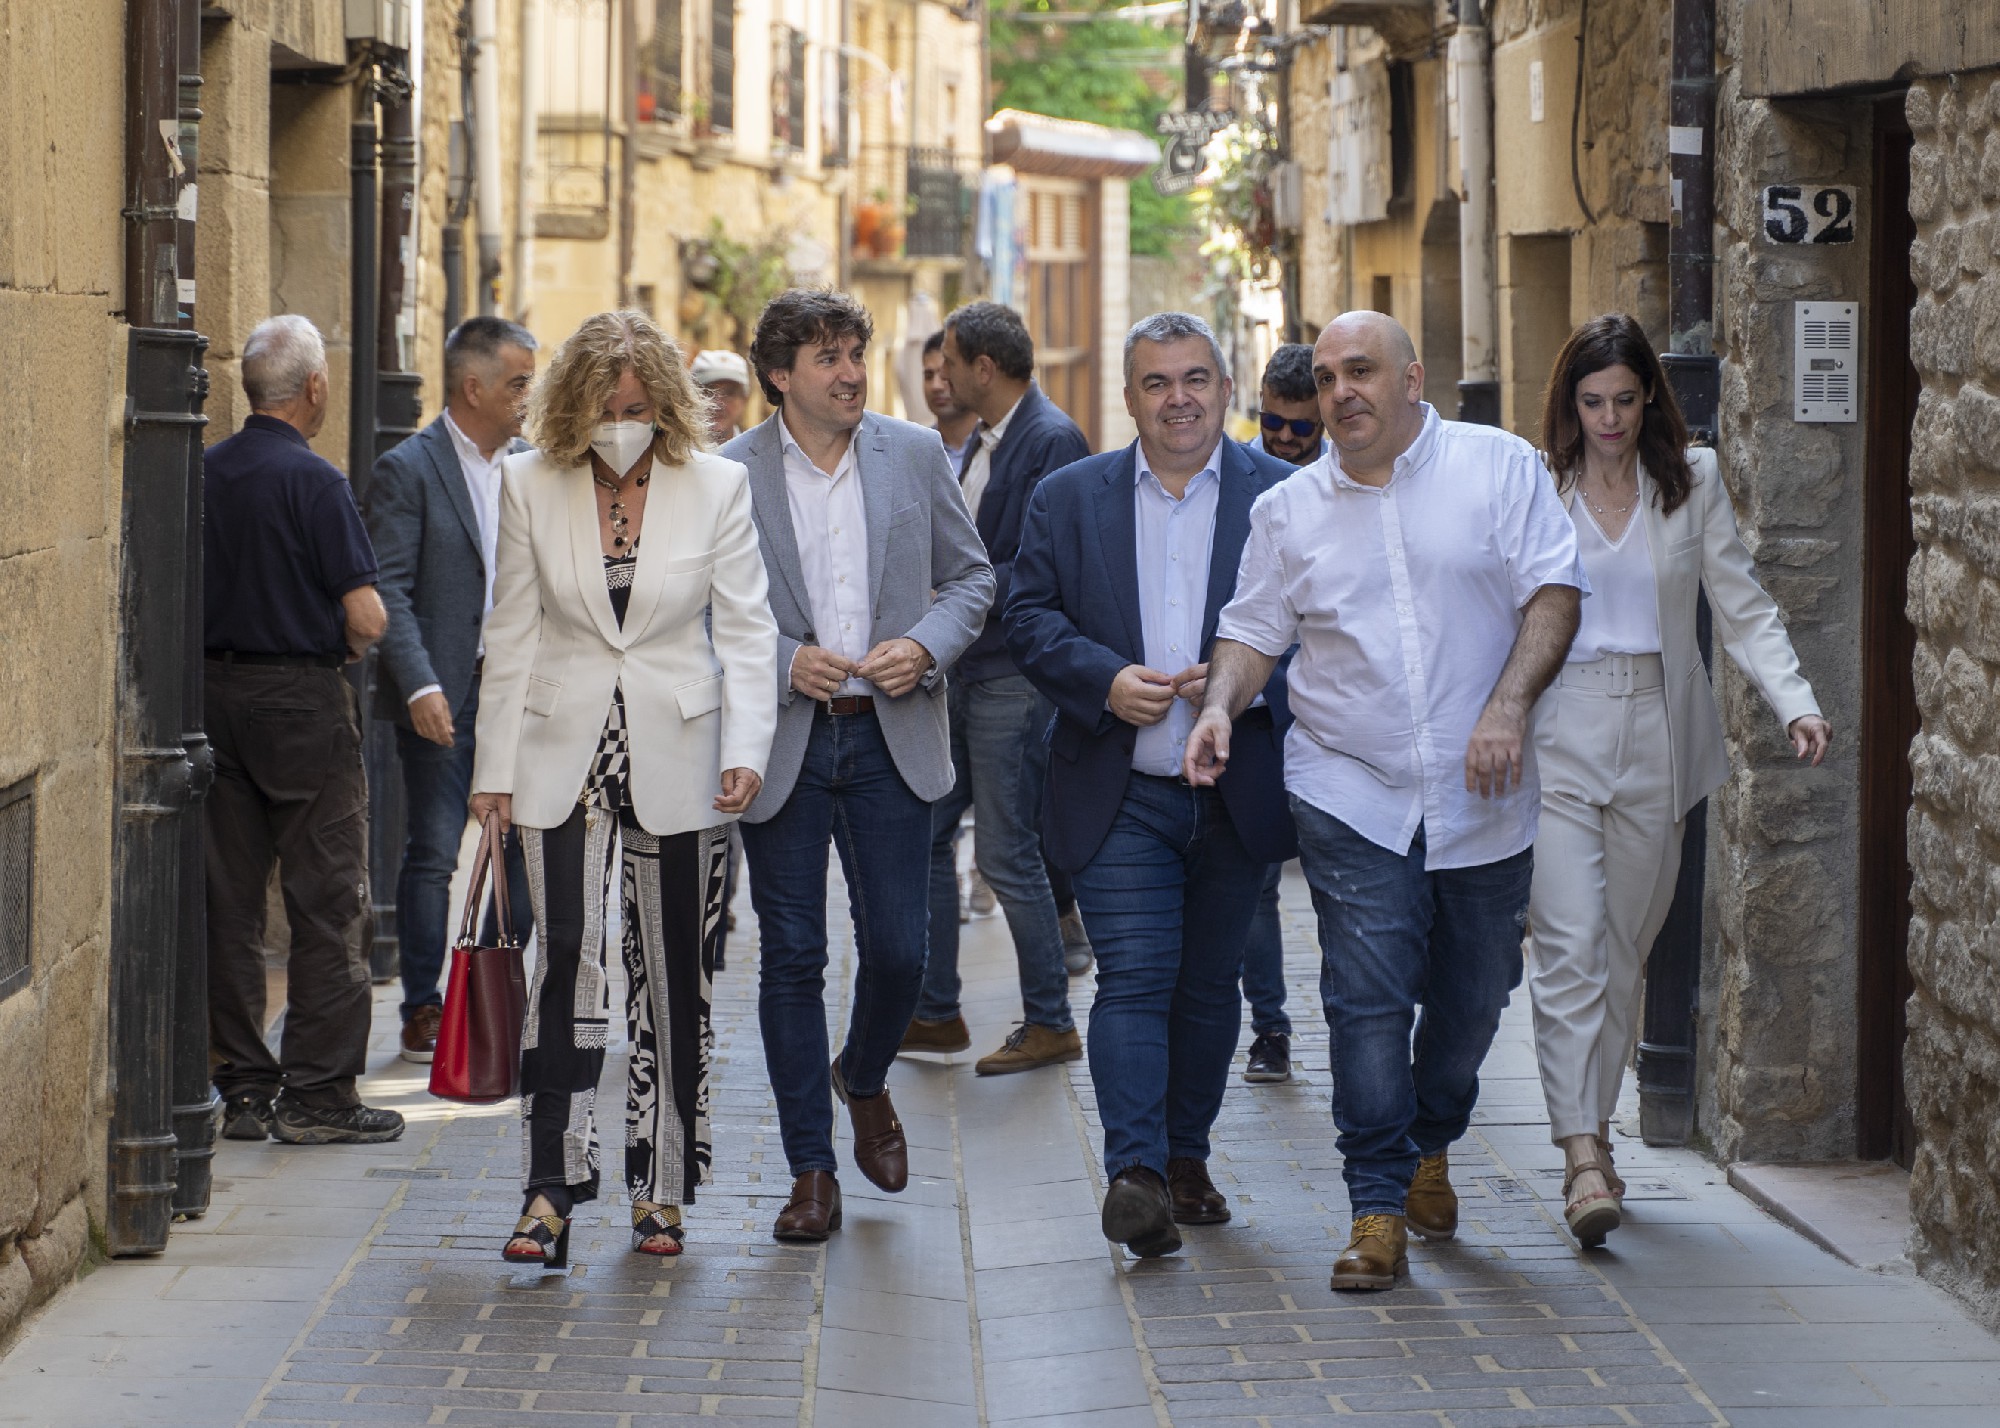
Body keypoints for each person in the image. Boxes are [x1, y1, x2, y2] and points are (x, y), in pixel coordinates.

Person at [1186, 311, 1586, 1292]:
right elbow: (1251, 631)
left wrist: (1505, 707)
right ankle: (1375, 1204)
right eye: (1326, 379)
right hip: (1347, 788)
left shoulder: (1498, 468)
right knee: (1364, 1002)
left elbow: (1554, 591)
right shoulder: (1288, 512)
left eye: (1359, 371)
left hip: (1485, 791)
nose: (1340, 394)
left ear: (1412, 379)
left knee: (1473, 997)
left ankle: (1428, 1141)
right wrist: (1219, 706)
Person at [469, 309, 778, 1267]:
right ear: (572, 406)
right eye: (605, 408)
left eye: (639, 409)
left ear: (668, 407)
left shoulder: (717, 485)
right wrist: (491, 773)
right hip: (556, 752)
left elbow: (748, 628)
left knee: (674, 973)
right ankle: (550, 1188)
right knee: (566, 958)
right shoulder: (529, 481)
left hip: (681, 750)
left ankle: (663, 1189)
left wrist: (749, 745)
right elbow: (509, 631)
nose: (621, 424)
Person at [1527, 314, 1831, 1246]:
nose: (1609, 419)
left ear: (1649, 397)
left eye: (1625, 399)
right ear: (1570, 404)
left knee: (1623, 952)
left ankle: (1595, 1127)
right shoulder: (1537, 485)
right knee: (1569, 947)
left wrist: (1794, 701)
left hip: (1658, 732)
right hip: (1561, 727)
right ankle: (1581, 1153)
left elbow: (1741, 605)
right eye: (1592, 402)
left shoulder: (1690, 480)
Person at [1005, 312, 1297, 1259]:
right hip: (1118, 787)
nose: (1179, 399)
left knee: (1209, 988)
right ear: (1128, 397)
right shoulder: (1068, 497)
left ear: (1226, 386)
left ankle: (1185, 1160)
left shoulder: (1285, 496)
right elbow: (1027, 615)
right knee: (1134, 977)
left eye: (1196, 379)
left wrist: (1240, 687)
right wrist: (1103, 681)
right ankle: (1134, 1173)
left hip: (1237, 789)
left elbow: (1328, 630)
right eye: (1158, 383)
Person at [724, 289, 993, 1243]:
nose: (850, 374)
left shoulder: (913, 454)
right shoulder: (728, 475)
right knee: (792, 956)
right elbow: (699, 613)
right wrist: (780, 659)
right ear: (779, 375)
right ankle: (811, 1171)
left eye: (855, 355)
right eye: (827, 358)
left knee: (900, 952)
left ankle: (864, 1075)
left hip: (891, 734)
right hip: (785, 740)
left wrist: (923, 647)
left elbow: (972, 578)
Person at [203, 315, 404, 1147]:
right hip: (300, 699)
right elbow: (368, 614)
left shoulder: (205, 470)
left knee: (229, 902)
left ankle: (244, 1091)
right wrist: (346, 644)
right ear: (315, 386)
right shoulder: (316, 481)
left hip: (213, 698)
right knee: (328, 899)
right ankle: (319, 1093)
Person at [902, 302, 1091, 1073]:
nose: (940, 373)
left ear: (984, 367)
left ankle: (1050, 1020)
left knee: (1008, 855)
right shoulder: (988, 438)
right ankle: (935, 1011)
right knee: (929, 836)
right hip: (969, 672)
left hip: (1011, 677)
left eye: (949, 360)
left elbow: (1046, 568)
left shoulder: (1049, 439)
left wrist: (951, 593)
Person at [365, 316, 538, 1063]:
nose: (530, 397)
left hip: (521, 692)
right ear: (474, 387)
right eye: (519, 384)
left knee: (525, 849)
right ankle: (423, 1008)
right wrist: (420, 684)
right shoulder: (408, 469)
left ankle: (495, 995)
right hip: (444, 692)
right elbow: (390, 589)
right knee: (435, 852)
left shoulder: (536, 467)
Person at [1237, 341, 1324, 1085]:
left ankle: (1367, 1023)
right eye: (1274, 423)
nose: (1286, 440)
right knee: (1258, 883)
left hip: (1334, 716)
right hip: (1262, 715)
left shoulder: (1349, 478)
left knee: (1347, 881)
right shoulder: (1239, 481)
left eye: (1302, 428)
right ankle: (1270, 1028)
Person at [919, 329, 982, 473]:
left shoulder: (996, 444)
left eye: (944, 375)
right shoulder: (917, 452)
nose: (936, 386)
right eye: (928, 375)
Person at [690, 348, 754, 444]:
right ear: (690, 397)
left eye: (729, 393)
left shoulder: (760, 451)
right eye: (708, 392)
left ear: (744, 400)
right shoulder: (673, 451)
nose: (718, 403)